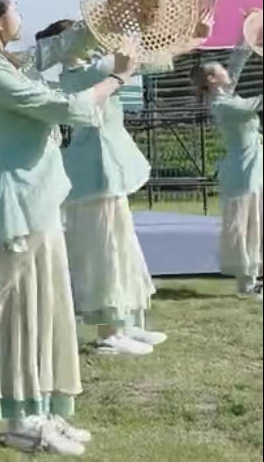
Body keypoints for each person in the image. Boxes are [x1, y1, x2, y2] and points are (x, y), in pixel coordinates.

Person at [0, 0, 137, 455]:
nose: (19, 13)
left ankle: (45, 410)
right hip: (20, 209)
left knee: (50, 311)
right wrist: (117, 78)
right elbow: (66, 106)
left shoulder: (10, 62)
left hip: (42, 202)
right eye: (14, 7)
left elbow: (64, 44)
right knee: (24, 316)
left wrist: (112, 10)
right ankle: (23, 421)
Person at [48, 18, 182, 356]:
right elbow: (139, 60)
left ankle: (125, 323)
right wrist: (165, 32)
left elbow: (143, 61)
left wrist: (188, 37)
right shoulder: (81, 73)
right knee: (104, 252)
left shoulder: (87, 69)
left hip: (106, 169)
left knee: (120, 247)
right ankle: (109, 333)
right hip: (95, 171)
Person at [190, 42, 262, 301]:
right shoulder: (222, 104)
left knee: (257, 222)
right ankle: (246, 283)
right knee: (244, 226)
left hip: (253, 165)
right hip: (242, 171)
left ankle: (255, 279)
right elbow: (255, 104)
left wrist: (246, 40)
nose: (226, 72)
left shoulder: (225, 96)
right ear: (212, 79)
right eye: (221, 70)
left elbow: (235, 66)